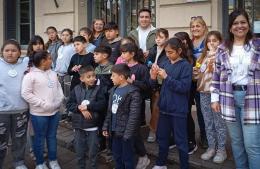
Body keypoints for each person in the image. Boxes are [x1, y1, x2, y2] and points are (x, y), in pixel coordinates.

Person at [211, 9, 260, 169]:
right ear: (230, 27)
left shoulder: (257, 46)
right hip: (229, 98)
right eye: (236, 23)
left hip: (253, 98)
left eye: (243, 22)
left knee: (252, 145)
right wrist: (214, 98)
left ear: (248, 24)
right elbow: (216, 76)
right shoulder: (222, 48)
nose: (240, 26)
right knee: (237, 144)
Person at [150, 37, 192, 169]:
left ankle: (184, 166)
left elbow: (184, 87)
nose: (168, 55)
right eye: (166, 52)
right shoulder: (166, 63)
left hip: (178, 109)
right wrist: (153, 76)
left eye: (170, 52)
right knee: (162, 138)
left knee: (181, 141)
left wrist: (167, 77)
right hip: (164, 108)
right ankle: (161, 163)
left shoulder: (185, 65)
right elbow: (154, 85)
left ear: (179, 51)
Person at [21, 50, 64, 169]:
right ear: (43, 61)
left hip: (54, 112)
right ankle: (40, 163)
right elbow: (26, 94)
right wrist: (42, 104)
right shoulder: (30, 76)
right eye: (50, 58)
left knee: (52, 136)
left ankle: (53, 160)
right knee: (39, 138)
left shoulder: (53, 73)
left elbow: (59, 88)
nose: (52, 60)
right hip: (38, 114)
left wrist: (59, 100)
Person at [193, 31, 227, 163]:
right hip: (203, 93)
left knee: (219, 123)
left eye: (215, 40)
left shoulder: (223, 56)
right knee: (208, 122)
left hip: (217, 94)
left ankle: (221, 149)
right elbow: (197, 76)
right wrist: (195, 72)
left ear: (220, 42)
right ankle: (212, 147)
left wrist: (214, 64)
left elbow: (223, 75)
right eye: (209, 41)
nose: (211, 43)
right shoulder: (202, 57)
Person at [67, 66, 107, 169]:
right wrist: (80, 108)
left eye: (93, 76)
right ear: (82, 79)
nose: (92, 78)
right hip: (79, 126)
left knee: (93, 152)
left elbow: (102, 104)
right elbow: (69, 104)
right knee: (79, 152)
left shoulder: (99, 89)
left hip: (93, 127)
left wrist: (88, 107)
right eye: (88, 77)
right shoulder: (76, 89)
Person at [102, 64, 141, 169]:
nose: (111, 78)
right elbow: (110, 111)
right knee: (117, 156)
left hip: (126, 133)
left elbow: (134, 116)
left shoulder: (133, 92)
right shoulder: (113, 90)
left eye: (113, 75)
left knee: (128, 158)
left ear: (121, 77)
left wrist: (127, 135)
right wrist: (106, 126)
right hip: (114, 131)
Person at [120, 43, 151, 169]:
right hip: (123, 104)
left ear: (132, 54)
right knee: (126, 131)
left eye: (124, 53)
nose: (121, 55)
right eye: (121, 53)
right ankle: (131, 155)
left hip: (136, 104)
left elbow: (147, 86)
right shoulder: (121, 67)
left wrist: (133, 82)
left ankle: (143, 156)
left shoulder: (141, 68)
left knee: (134, 131)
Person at [0, 39, 29, 169]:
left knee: (20, 138)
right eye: (7, 50)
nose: (10, 53)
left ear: (19, 53)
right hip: (2, 112)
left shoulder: (25, 64)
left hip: (21, 110)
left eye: (13, 50)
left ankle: (19, 162)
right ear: (2, 52)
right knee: (1, 140)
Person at [175, 32, 198, 154]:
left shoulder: (190, 57)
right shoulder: (175, 55)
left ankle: (191, 141)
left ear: (185, 42)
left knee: (187, 114)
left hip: (187, 91)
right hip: (176, 90)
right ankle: (180, 138)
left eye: (181, 40)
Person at [146, 28, 169, 143]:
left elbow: (167, 63)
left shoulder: (168, 49)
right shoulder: (153, 49)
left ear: (167, 38)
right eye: (157, 37)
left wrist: (158, 67)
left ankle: (156, 130)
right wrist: (150, 64)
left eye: (161, 37)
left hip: (162, 80)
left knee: (158, 107)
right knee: (154, 106)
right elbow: (148, 61)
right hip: (153, 78)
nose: (158, 39)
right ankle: (154, 129)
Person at [190, 16, 208, 149]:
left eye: (198, 26)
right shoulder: (190, 42)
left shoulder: (209, 41)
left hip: (205, 82)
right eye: (193, 26)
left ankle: (206, 137)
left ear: (204, 27)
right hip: (192, 82)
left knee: (204, 111)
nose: (195, 28)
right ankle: (202, 136)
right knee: (198, 110)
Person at [93, 45, 114, 152]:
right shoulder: (96, 68)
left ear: (105, 55)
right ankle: (102, 145)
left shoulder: (112, 68)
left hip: (108, 101)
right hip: (99, 101)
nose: (94, 56)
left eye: (96, 54)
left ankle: (111, 146)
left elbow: (112, 86)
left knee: (109, 123)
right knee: (99, 122)